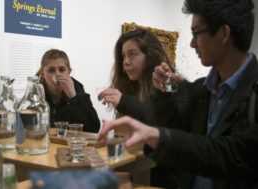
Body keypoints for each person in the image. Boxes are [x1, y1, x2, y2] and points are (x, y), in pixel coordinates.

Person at [98, 0, 258, 188]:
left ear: (223, 33)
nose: (191, 44)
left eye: (196, 33)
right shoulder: (200, 90)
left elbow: (229, 154)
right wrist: (163, 94)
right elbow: (173, 128)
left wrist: (153, 133)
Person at [98, 28, 171, 121]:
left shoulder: (170, 85)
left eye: (132, 54)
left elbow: (164, 127)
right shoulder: (130, 86)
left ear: (151, 55)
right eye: (123, 56)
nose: (126, 62)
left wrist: (126, 103)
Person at [36, 49, 100, 133]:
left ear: (69, 72)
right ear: (42, 73)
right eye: (51, 70)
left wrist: (73, 97)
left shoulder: (78, 90)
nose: (57, 74)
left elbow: (93, 129)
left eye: (62, 70)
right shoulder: (35, 95)